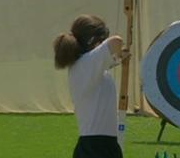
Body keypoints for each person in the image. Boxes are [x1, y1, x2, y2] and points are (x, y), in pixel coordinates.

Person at [53, 14, 128, 158]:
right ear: (93, 41)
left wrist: (118, 58)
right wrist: (117, 54)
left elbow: (107, 61)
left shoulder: (86, 65)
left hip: (102, 145)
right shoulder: (86, 64)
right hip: (96, 148)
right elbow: (116, 42)